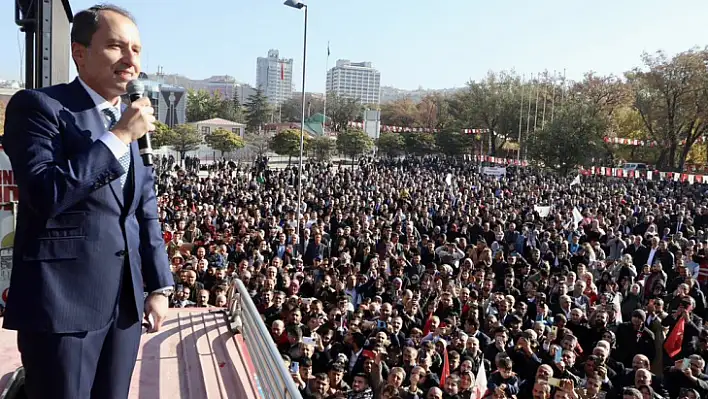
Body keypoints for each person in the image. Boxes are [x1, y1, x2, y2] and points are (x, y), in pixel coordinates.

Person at [2, 4, 174, 399]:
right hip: (63, 305)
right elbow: (44, 194)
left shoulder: (131, 120)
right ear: (80, 52)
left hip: (125, 306)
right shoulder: (39, 108)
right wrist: (117, 139)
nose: (131, 60)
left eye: (137, 48)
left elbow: (143, 208)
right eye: (116, 46)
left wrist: (158, 285)